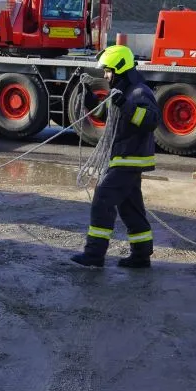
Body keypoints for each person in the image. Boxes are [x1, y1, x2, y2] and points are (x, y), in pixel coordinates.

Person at [72, 44, 160, 269]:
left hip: (130, 159)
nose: (105, 75)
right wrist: (89, 98)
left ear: (120, 69)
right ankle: (141, 256)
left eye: (108, 70)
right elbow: (104, 113)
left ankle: (94, 255)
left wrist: (126, 105)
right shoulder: (120, 92)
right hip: (121, 157)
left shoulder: (139, 92)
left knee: (102, 200)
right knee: (130, 208)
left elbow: (150, 121)